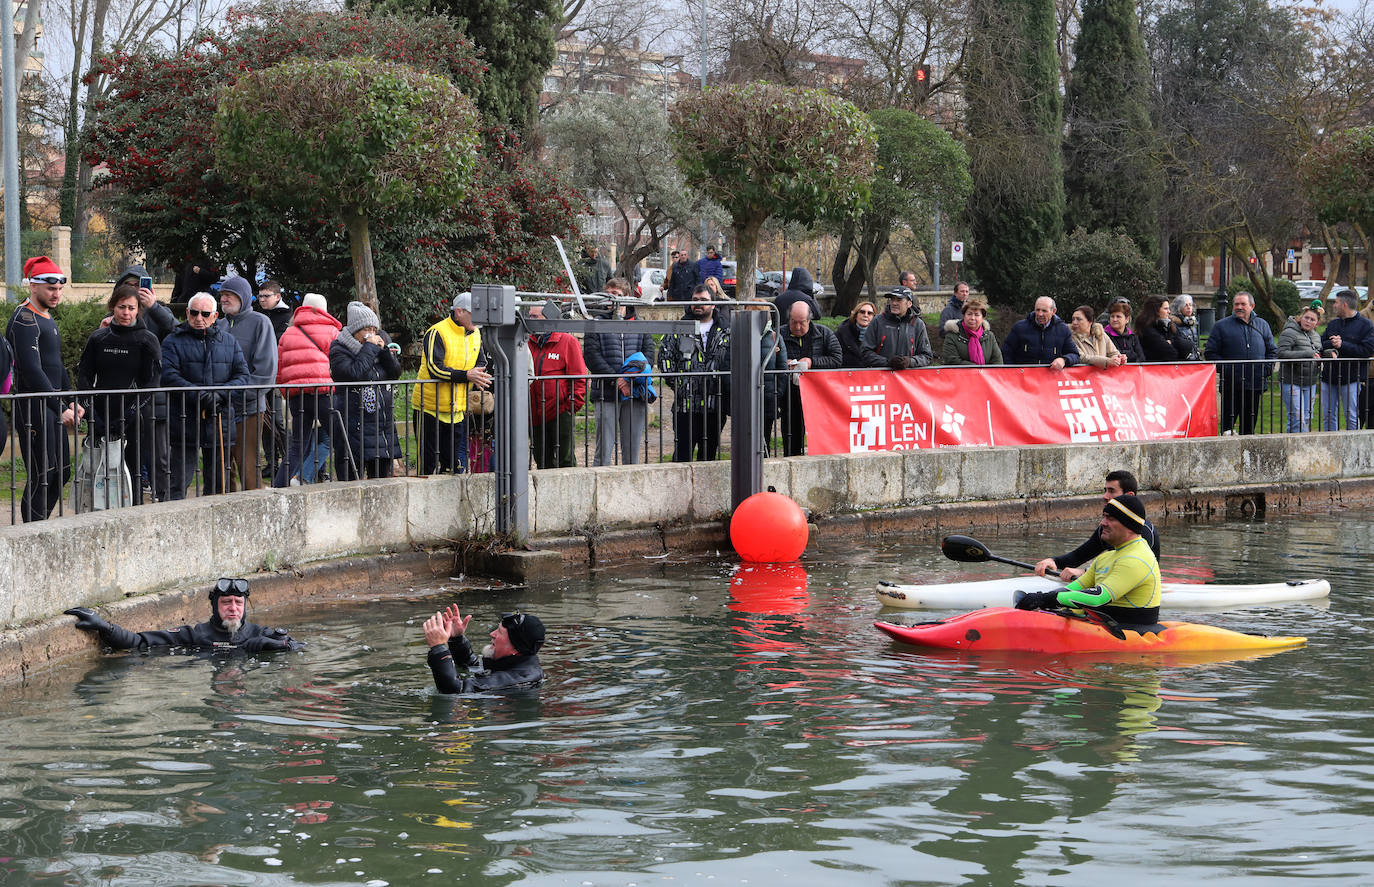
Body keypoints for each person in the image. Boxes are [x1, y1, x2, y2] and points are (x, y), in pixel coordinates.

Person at [5, 256, 81, 521]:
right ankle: (32, 533)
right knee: (44, 474)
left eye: (59, 289)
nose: (56, 294)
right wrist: (59, 406)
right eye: (51, 288)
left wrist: (70, 400)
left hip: (51, 406)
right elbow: (32, 370)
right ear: (33, 286)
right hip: (34, 407)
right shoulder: (24, 319)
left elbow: (56, 365)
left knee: (62, 472)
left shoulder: (46, 317)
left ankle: (39, 528)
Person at [75, 283, 162, 507]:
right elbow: (84, 376)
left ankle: (132, 519)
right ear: (113, 307)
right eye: (122, 307)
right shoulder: (99, 338)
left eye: (131, 308)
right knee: (98, 471)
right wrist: (91, 412)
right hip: (100, 414)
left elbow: (152, 382)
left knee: (133, 472)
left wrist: (131, 413)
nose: (126, 313)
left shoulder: (147, 340)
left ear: (138, 310)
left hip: (134, 416)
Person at [1015, 494, 1162, 627]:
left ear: (1129, 525)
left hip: (1132, 631)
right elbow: (1074, 587)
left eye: (1110, 518)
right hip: (1104, 624)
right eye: (1104, 517)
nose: (1102, 523)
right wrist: (1040, 598)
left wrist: (1048, 598)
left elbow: (1098, 597)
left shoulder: (1137, 558)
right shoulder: (1106, 557)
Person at [161, 292, 250, 498]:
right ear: (187, 313)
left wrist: (220, 394)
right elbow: (169, 375)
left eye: (205, 313)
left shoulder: (229, 341)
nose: (198, 318)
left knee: (219, 483)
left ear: (215, 315)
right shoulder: (173, 340)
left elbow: (242, 375)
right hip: (185, 420)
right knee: (178, 481)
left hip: (219, 419)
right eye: (194, 313)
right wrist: (201, 395)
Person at [65, 577, 304, 653]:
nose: (233, 608)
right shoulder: (195, 635)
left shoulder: (260, 633)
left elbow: (297, 648)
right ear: (214, 606)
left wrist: (280, 645)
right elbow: (140, 642)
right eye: (226, 602)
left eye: (238, 603)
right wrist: (104, 627)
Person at [115, 265, 177, 500]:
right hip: (123, 397)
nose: (134, 290)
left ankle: (163, 498)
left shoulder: (157, 312)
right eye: (128, 285)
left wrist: (153, 307)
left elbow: (175, 329)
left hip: (153, 397)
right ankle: (133, 498)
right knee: (130, 453)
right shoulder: (118, 314)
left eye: (138, 285)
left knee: (159, 455)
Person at [1034, 470, 1160, 581]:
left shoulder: (1143, 530)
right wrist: (1054, 561)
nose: (1105, 496)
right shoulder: (1107, 528)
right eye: (1105, 491)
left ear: (1129, 496)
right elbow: (1079, 556)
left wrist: (1084, 573)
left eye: (1111, 491)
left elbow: (1131, 567)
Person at [416, 292, 492, 474]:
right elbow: (435, 368)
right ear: (459, 312)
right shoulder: (437, 332)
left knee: (453, 465)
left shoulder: (476, 333)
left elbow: (481, 361)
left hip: (457, 409)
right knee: (427, 464)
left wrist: (478, 375)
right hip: (430, 408)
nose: (479, 319)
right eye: (475, 313)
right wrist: (467, 375)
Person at [585, 277, 656, 466]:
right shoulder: (595, 323)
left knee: (632, 449)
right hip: (606, 393)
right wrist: (617, 379)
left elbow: (649, 355)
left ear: (627, 297)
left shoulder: (640, 324)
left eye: (616, 295)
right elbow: (592, 356)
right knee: (604, 448)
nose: (611, 299)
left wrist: (628, 378)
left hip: (634, 393)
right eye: (608, 295)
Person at [216, 276, 278, 492]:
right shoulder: (219, 324)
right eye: (222, 294)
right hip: (221, 409)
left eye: (229, 295)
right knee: (222, 472)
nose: (223, 298)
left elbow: (265, 372)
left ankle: (258, 517)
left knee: (249, 468)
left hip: (248, 410)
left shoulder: (261, 322)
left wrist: (234, 395)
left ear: (242, 297)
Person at [329, 301, 402, 479]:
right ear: (354, 330)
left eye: (374, 329)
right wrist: (369, 347)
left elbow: (395, 372)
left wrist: (385, 352)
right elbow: (355, 374)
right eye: (366, 329)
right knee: (350, 480)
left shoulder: (377, 345)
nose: (372, 334)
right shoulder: (339, 348)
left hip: (380, 423)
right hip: (354, 423)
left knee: (380, 480)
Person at [274, 294, 341, 486]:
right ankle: (348, 481)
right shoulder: (331, 331)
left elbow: (280, 366)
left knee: (298, 446)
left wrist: (285, 391)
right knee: (338, 440)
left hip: (297, 394)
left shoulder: (288, 333)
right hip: (323, 393)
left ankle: (278, 486)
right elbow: (336, 363)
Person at [661, 284, 731, 462]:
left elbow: (733, 360)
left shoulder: (727, 330)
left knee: (708, 455)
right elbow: (665, 358)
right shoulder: (678, 328)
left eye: (704, 300)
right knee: (682, 455)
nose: (698, 304)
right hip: (685, 405)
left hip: (715, 404)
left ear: (713, 304)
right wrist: (680, 385)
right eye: (695, 300)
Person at [424, 604, 545, 694]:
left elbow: (454, 690)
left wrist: (438, 648)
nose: (492, 634)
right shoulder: (517, 663)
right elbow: (474, 666)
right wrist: (457, 639)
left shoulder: (519, 679)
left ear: (515, 649)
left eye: (500, 633)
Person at [1204, 291, 1276, 435]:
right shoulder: (1221, 326)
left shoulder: (1262, 325)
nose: (1239, 307)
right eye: (1236, 304)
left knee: (1249, 428)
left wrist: (1266, 369)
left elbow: (1272, 351)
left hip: (1255, 384)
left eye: (1243, 304)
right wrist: (1227, 370)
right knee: (1227, 429)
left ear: (1252, 306)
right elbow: (1210, 353)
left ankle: (1247, 456)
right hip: (1231, 385)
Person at [527, 303, 588, 469]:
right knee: (541, 458)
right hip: (534, 412)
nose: (529, 320)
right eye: (529, 316)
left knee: (565, 458)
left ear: (547, 319)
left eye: (534, 317)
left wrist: (572, 405)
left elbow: (579, 376)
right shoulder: (527, 342)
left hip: (560, 410)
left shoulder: (567, 341)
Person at [779, 299, 842, 456]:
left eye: (802, 323)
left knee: (820, 437)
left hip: (818, 396)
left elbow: (837, 359)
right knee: (791, 436)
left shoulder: (824, 333)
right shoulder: (779, 333)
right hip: (789, 395)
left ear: (809, 320)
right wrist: (782, 362)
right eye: (794, 322)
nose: (798, 327)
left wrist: (812, 362)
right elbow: (767, 359)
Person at [1319, 289, 1374, 431]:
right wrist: (1332, 346)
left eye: (1336, 302)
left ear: (1344, 304)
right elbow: (1320, 344)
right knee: (1328, 415)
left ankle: (1353, 450)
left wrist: (1343, 344)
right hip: (1329, 377)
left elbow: (1367, 351)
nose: (1333, 306)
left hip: (1352, 378)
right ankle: (1330, 448)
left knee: (1351, 415)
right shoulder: (1333, 324)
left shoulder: (1366, 325)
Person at [255, 280, 293, 480]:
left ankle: (289, 459)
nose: (261, 300)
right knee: (264, 420)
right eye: (259, 296)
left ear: (277, 296)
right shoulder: (259, 315)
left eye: (266, 296)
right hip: (260, 374)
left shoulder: (287, 317)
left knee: (277, 420)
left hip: (277, 375)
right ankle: (272, 462)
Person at [861, 287, 934, 369]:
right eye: (892, 299)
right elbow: (865, 353)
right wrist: (888, 362)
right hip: (880, 378)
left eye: (899, 300)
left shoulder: (918, 325)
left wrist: (909, 361)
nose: (894, 303)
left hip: (908, 379)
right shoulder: (877, 322)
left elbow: (927, 356)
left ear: (909, 304)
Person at [1277, 305, 1323, 433]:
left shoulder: (1315, 336)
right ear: (1300, 317)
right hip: (1291, 380)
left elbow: (1319, 352)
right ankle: (1293, 450)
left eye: (1312, 320)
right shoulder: (1289, 332)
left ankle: (1302, 447)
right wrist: (1306, 354)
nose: (1308, 321)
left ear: (1316, 323)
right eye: (1306, 317)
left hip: (1310, 381)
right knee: (1297, 417)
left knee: (1307, 417)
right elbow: (1281, 353)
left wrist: (1331, 352)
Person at [1002, 297, 1080, 369]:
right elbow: (1006, 353)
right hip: (1023, 378)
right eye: (1037, 310)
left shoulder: (1063, 329)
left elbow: (1075, 355)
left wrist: (1064, 360)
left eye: (1044, 311)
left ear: (1054, 311)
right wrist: (1013, 372)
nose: (1040, 314)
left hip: (1050, 378)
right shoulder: (1019, 327)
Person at [940, 297, 1003, 366]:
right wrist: (977, 369)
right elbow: (952, 360)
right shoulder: (952, 336)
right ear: (963, 316)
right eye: (969, 314)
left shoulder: (989, 336)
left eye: (977, 315)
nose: (972, 318)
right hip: (960, 375)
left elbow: (997, 361)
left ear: (982, 318)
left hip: (986, 376)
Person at [1137, 295, 1194, 362]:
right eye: (1165, 309)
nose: (1169, 312)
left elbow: (1189, 346)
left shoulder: (1169, 326)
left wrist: (1171, 342)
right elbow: (1171, 354)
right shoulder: (1147, 330)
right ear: (1156, 311)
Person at [1068, 304, 1126, 368]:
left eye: (1078, 319)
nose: (1074, 322)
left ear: (1090, 321)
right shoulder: (1069, 337)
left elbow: (1113, 352)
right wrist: (1106, 361)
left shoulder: (1101, 334)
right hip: (1082, 377)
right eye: (1073, 319)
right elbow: (1081, 357)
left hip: (1102, 376)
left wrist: (1119, 358)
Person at [836, 300, 876, 368]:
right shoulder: (841, 333)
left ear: (873, 317)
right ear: (856, 314)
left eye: (869, 313)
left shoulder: (878, 334)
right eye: (862, 312)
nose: (865, 315)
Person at [1103, 300, 1145, 364]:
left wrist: (1125, 355)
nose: (1114, 319)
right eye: (1112, 316)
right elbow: (1114, 354)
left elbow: (1141, 358)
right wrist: (1132, 354)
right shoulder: (1104, 335)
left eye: (1118, 316)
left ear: (1127, 319)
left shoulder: (1133, 337)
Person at [1170, 294, 1202, 360]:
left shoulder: (1191, 322)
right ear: (1179, 308)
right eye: (1185, 305)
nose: (1189, 307)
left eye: (1190, 305)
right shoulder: (1174, 324)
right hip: (1182, 360)